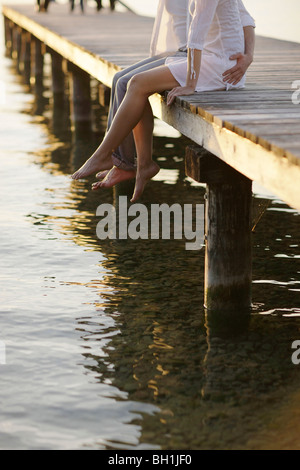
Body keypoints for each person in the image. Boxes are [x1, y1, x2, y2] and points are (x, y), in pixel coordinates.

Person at [72, 0, 255, 202]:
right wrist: (248, 56)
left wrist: (190, 83)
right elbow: (241, 19)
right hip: (209, 59)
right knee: (131, 82)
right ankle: (138, 164)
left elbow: (197, 36)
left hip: (218, 67)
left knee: (137, 83)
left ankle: (105, 154)